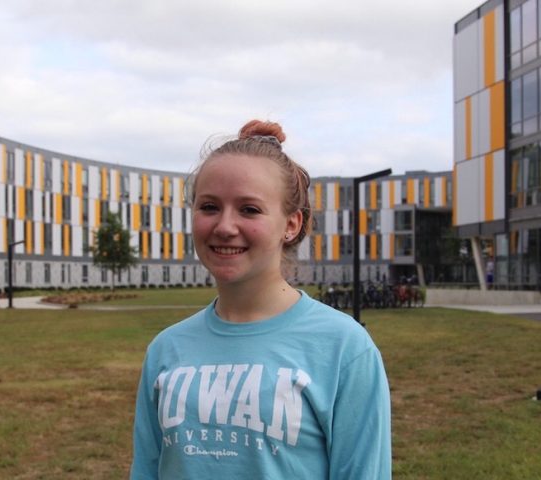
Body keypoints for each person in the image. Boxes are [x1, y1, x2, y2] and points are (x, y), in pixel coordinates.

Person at [130, 120, 391, 479]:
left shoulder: (344, 348)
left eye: (249, 209)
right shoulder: (166, 349)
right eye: (209, 207)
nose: (224, 226)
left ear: (291, 224)